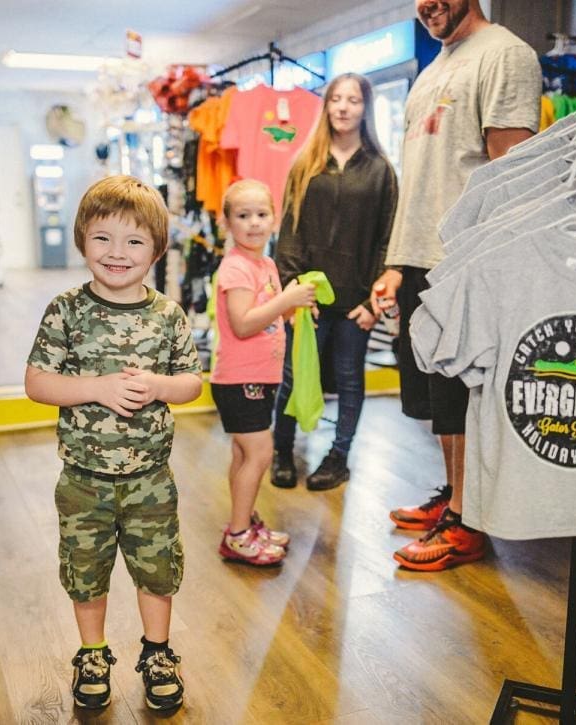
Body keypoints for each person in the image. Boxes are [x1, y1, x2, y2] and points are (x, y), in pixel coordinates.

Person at [370, 0, 542, 571]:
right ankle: (454, 495)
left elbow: (509, 173)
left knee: (463, 392)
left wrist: (488, 261)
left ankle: (467, 523)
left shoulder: (506, 55)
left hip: (466, 257)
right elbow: (423, 180)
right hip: (423, 256)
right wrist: (398, 262)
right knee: (435, 395)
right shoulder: (431, 71)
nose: (427, 4)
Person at [24, 175, 203, 711]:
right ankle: (93, 654)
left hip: (151, 479)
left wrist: (160, 386)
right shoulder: (66, 311)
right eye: (103, 238)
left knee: (157, 569)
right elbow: (37, 383)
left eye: (134, 241)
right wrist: (97, 389)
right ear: (82, 240)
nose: (117, 253)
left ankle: (157, 652)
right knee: (86, 572)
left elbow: (192, 382)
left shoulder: (168, 315)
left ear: (156, 249)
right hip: (83, 480)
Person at [271, 72, 399, 491]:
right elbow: (288, 231)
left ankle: (339, 456)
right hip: (307, 298)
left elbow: (388, 239)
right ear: (326, 107)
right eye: (336, 99)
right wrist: (292, 291)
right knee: (293, 376)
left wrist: (373, 301)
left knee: (349, 380)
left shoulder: (381, 171)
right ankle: (283, 450)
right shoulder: (305, 164)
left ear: (366, 109)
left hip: (356, 301)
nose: (344, 107)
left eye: (354, 100)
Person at [211, 179, 317, 565]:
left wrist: (296, 306)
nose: (253, 223)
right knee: (259, 452)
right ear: (227, 223)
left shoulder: (266, 264)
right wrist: (286, 298)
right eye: (243, 216)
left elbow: (272, 315)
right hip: (241, 378)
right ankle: (238, 535)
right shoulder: (237, 268)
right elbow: (242, 323)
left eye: (261, 214)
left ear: (274, 220)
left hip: (258, 377)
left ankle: (244, 521)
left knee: (243, 454)